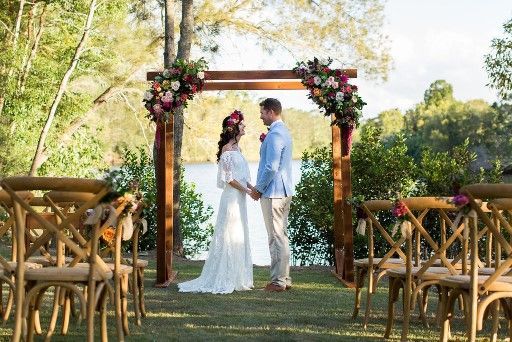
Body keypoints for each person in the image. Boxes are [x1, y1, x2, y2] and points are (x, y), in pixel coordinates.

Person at [178, 110, 254, 294]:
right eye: (242, 125)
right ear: (234, 128)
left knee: (239, 233)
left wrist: (252, 188)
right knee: (229, 233)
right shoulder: (227, 150)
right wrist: (247, 190)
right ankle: (224, 276)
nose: (244, 127)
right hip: (232, 197)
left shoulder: (239, 149)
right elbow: (228, 179)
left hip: (241, 196)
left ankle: (238, 277)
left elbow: (241, 176)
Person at [250, 98, 293, 292]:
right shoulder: (283, 131)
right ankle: (285, 278)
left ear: (270, 112)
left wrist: (259, 188)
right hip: (283, 191)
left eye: (262, 112)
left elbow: (271, 167)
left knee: (275, 237)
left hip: (274, 192)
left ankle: (278, 282)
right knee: (281, 236)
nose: (260, 116)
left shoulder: (275, 134)